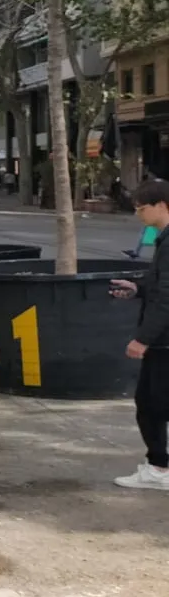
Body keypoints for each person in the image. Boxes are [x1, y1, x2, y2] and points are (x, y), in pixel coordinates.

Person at [110, 181, 169, 491]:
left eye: (142, 209)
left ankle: (159, 468)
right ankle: (158, 465)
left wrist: (143, 339)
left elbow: (167, 297)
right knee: (151, 402)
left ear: (162, 205)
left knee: (151, 403)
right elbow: (160, 287)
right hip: (161, 338)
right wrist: (138, 289)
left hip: (163, 340)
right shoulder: (163, 239)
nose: (139, 215)